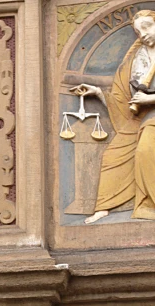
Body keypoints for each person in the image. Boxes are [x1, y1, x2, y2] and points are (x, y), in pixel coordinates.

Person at [73, 10, 155, 224]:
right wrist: (98, 92)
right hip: (142, 117)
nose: (142, 34)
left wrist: (149, 100)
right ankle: (104, 207)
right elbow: (123, 99)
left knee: (146, 149)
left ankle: (150, 204)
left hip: (152, 117)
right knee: (111, 155)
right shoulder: (136, 57)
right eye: (138, 31)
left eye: (147, 26)